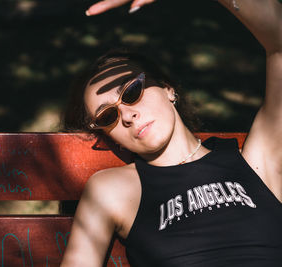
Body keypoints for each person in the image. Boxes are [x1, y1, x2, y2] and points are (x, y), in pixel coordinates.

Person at [60, 0, 282, 266]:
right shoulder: (114, 189)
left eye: (132, 92)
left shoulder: (256, 162)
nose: (128, 116)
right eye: (108, 116)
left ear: (167, 89)